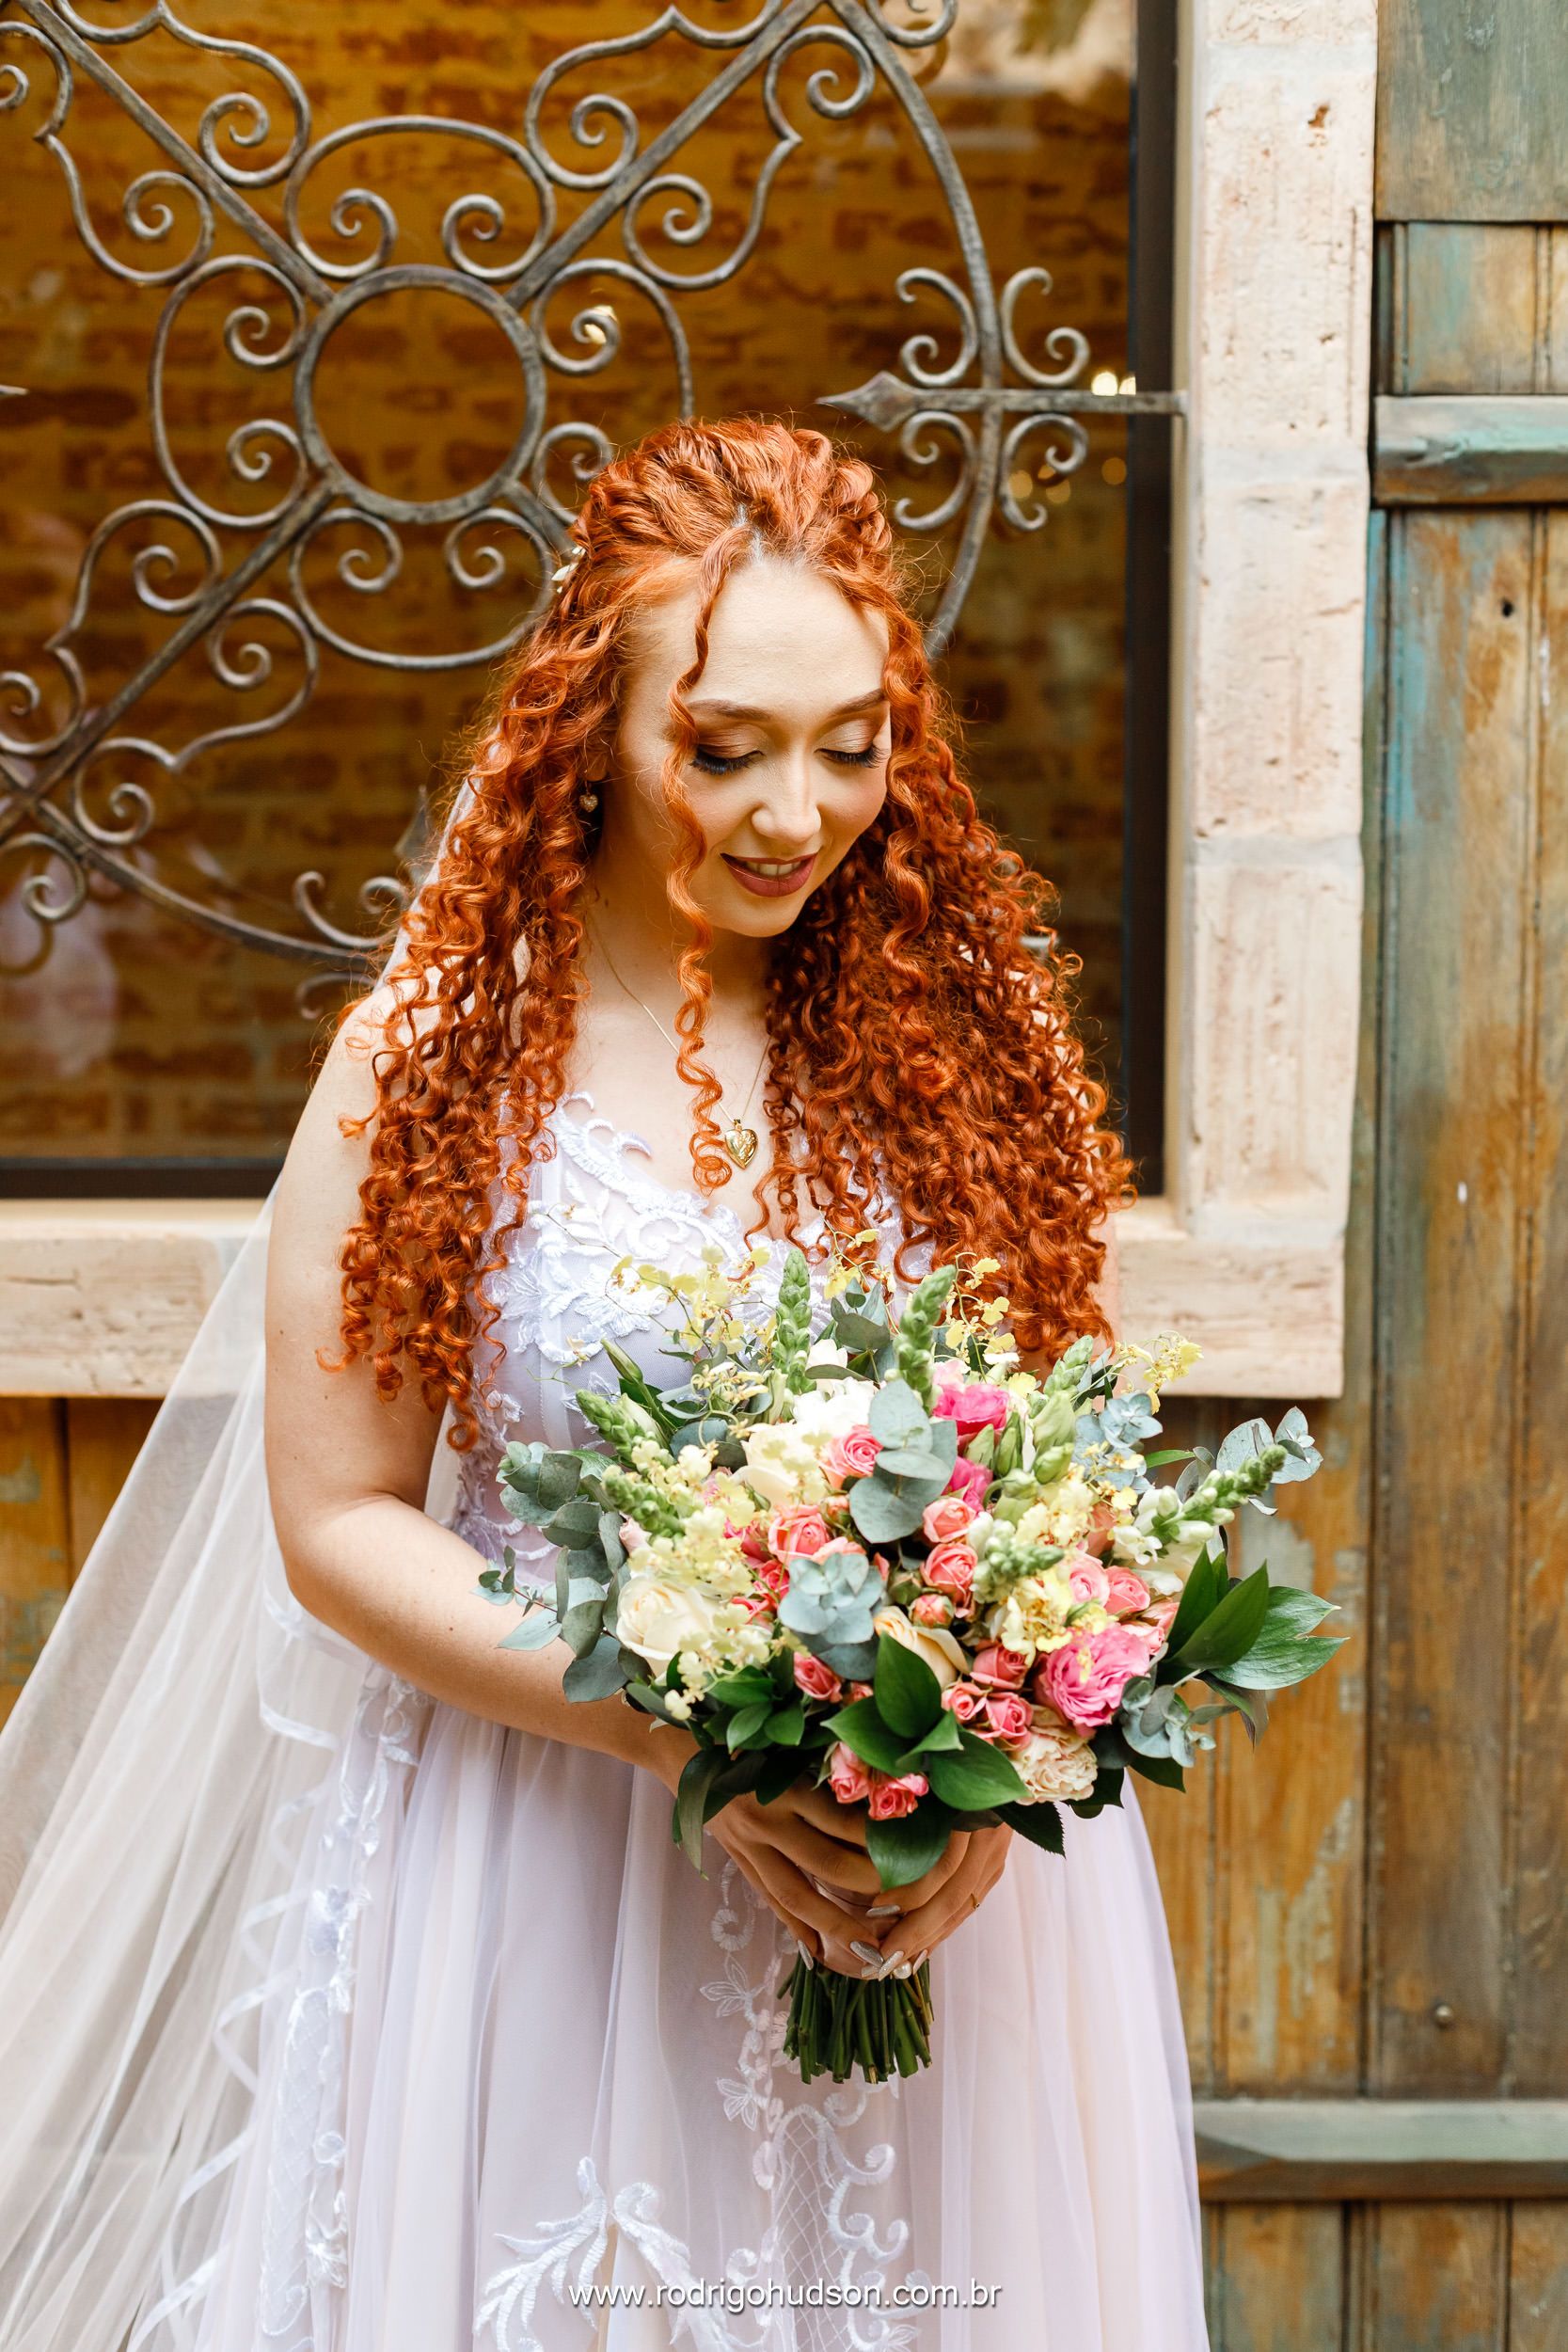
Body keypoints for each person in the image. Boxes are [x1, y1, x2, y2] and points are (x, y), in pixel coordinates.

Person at [0, 419, 1209, 2350]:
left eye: (852, 744)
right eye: (722, 749)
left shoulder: (965, 1050)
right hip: (549, 1874)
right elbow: (335, 1520)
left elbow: (1049, 1485)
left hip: (937, 1921)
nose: (797, 812)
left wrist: (990, 1768)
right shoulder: (437, 1063)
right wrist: (671, 1730)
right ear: (590, 729)